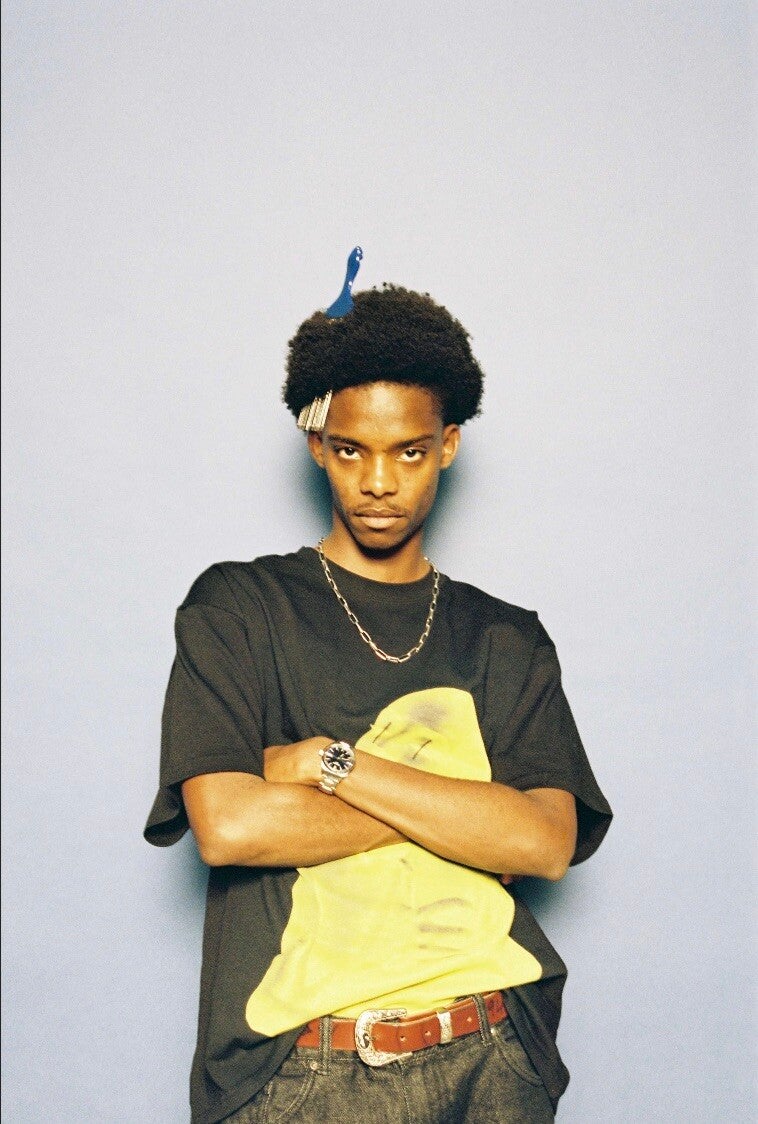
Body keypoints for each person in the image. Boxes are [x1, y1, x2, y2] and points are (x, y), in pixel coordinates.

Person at [145, 275, 612, 1124]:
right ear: (318, 446)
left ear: (448, 446)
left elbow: (544, 842)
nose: (380, 482)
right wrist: (467, 813)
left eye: (409, 451)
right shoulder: (238, 608)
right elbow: (231, 827)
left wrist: (328, 765)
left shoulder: (505, 638)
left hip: (494, 1054)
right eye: (352, 450)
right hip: (305, 1070)